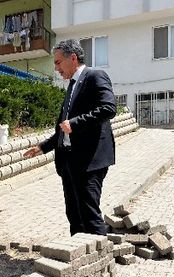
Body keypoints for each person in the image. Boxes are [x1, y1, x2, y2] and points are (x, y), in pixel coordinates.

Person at [24, 39, 117, 236]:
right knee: (74, 215)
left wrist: (75, 123)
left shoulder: (95, 76)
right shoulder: (72, 85)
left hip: (90, 160)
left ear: (73, 58)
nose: (56, 68)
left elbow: (108, 109)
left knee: (89, 215)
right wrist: (43, 147)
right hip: (70, 161)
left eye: (58, 62)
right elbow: (62, 128)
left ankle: (101, 259)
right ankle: (77, 258)